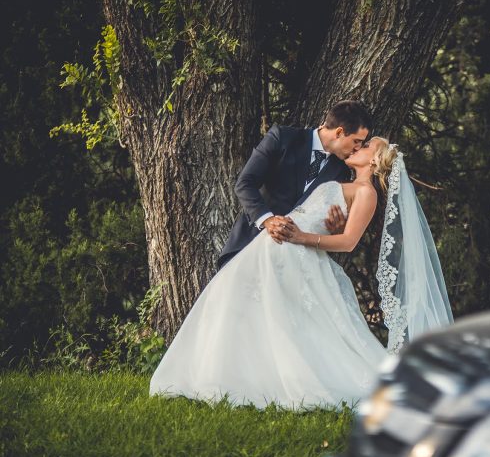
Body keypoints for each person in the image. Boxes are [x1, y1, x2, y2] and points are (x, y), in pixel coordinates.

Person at [149, 137, 454, 409]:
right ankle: (223, 374)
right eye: (358, 142)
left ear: (375, 161)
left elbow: (348, 242)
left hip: (294, 251)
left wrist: (301, 238)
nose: (358, 147)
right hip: (274, 248)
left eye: (366, 146)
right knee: (238, 306)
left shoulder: (367, 193)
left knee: (288, 324)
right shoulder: (340, 177)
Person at [217, 100, 371, 270]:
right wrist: (267, 219)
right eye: (357, 141)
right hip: (249, 246)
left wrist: (336, 229)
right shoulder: (282, 137)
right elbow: (245, 183)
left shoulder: (341, 171)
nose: (358, 148)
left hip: (295, 266)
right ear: (339, 132)